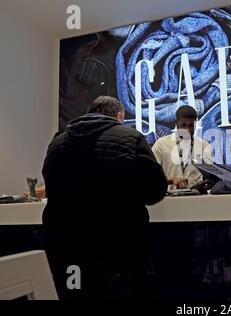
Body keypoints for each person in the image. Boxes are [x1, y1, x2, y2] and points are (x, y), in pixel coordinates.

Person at [41, 96, 168, 300]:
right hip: (120, 249)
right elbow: (156, 190)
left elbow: (51, 187)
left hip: (68, 251)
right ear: (119, 116)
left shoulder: (57, 142)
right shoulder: (130, 138)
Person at [152, 105, 212, 189]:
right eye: (183, 125)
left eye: (191, 126)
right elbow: (150, 175)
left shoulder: (205, 146)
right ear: (176, 123)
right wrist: (171, 180)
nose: (187, 130)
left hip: (197, 198)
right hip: (168, 199)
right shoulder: (160, 145)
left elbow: (211, 178)